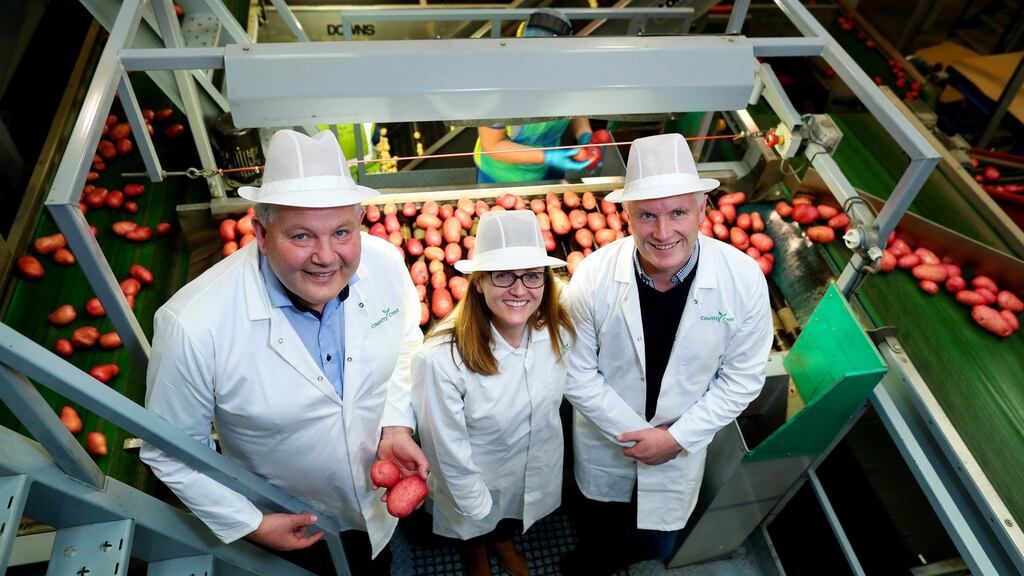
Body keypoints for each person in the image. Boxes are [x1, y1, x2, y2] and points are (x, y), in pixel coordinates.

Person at [140, 129, 428, 575]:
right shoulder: (193, 325)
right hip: (291, 516)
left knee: (375, 564)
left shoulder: (386, 263)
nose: (326, 257)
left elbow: (407, 336)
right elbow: (170, 450)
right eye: (301, 236)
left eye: (342, 232)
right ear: (260, 231)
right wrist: (249, 523)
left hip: (376, 493)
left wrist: (395, 422)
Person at [562, 133, 773, 574]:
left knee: (653, 544)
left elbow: (742, 379)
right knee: (597, 527)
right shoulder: (594, 278)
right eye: (647, 216)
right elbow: (575, 373)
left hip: (682, 449)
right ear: (626, 216)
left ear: (701, 210)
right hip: (607, 445)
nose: (662, 232)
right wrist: (638, 435)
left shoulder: (742, 279)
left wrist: (675, 439)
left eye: (678, 212)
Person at [411, 210, 576, 576]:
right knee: (474, 522)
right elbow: (447, 451)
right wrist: (473, 507)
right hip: (474, 472)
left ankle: (501, 539)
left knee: (509, 513)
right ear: (479, 282)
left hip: (532, 461)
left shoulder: (555, 327)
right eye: (503, 275)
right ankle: (475, 553)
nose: (519, 289)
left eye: (532, 275)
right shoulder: (440, 359)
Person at [473, 8, 598, 183]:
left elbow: (574, 109)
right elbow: (492, 144)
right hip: (503, 175)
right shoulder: (498, 85)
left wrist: (585, 135)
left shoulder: (567, 73)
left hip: (550, 168)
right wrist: (548, 156)